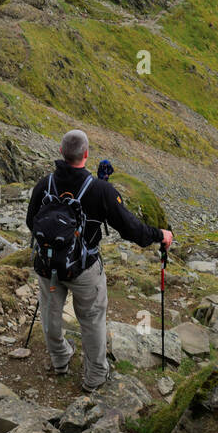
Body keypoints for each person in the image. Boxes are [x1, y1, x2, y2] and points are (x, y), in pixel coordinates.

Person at [26, 129, 173, 391]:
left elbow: (31, 221)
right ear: (86, 154)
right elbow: (131, 230)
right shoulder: (100, 190)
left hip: (48, 265)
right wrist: (159, 235)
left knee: (50, 313)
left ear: (61, 152)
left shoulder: (44, 184)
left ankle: (60, 359)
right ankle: (94, 376)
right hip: (84, 270)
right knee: (92, 319)